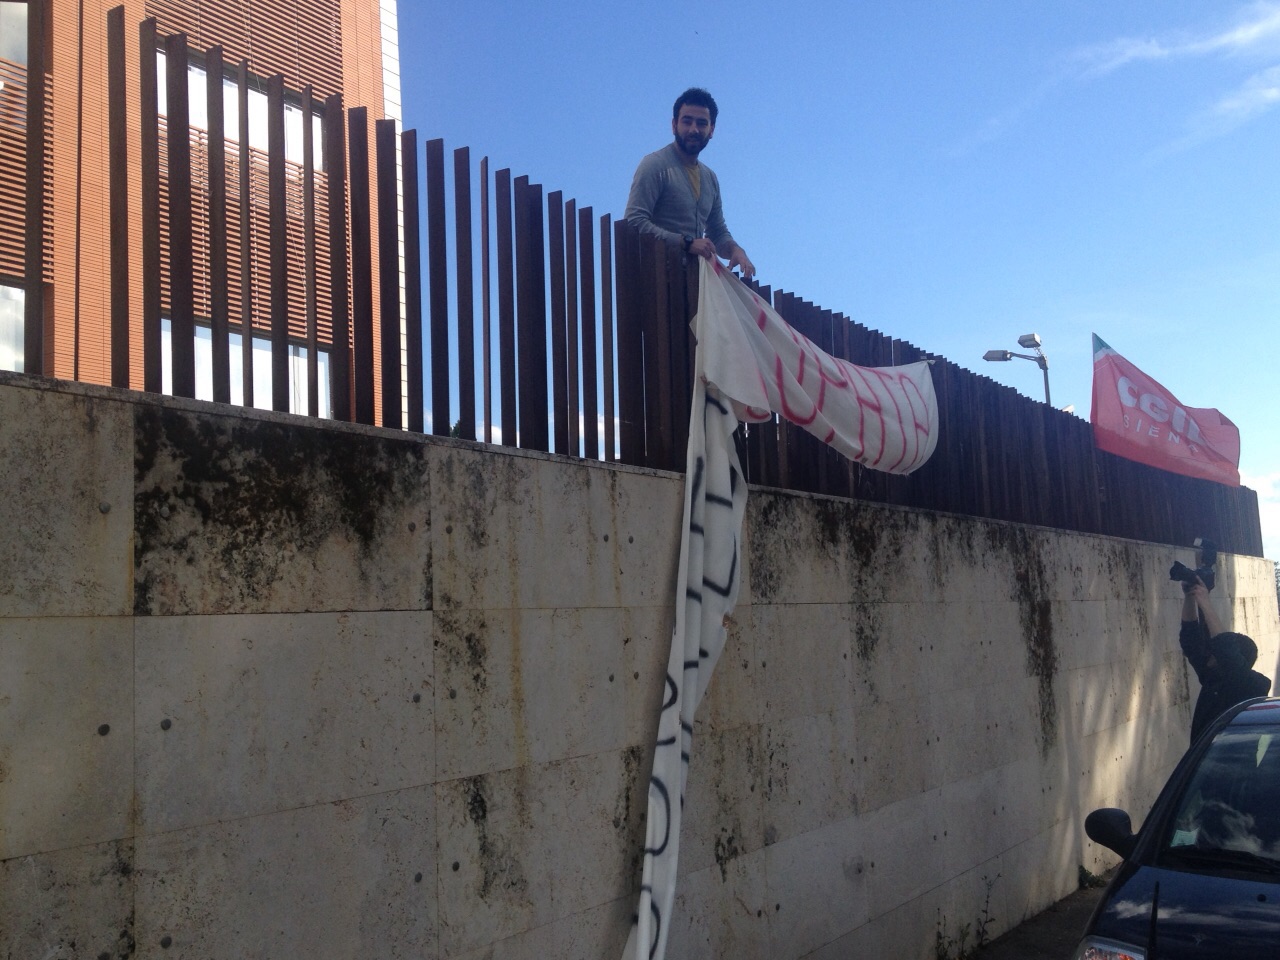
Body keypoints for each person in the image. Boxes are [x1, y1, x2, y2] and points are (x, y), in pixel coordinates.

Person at [625, 87, 755, 279]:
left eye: (702, 123)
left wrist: (736, 250)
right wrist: (685, 242)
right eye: (687, 121)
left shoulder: (710, 178)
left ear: (711, 130)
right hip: (654, 282)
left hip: (695, 283)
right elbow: (633, 222)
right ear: (674, 125)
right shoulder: (655, 165)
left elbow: (717, 232)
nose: (694, 129)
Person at [1181, 577, 1271, 743]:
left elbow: (1225, 649)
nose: (1209, 653)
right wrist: (1189, 597)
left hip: (1233, 764)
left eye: (1215, 652)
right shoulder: (1214, 677)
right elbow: (1190, 641)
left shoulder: (1251, 686)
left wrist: (1205, 602)